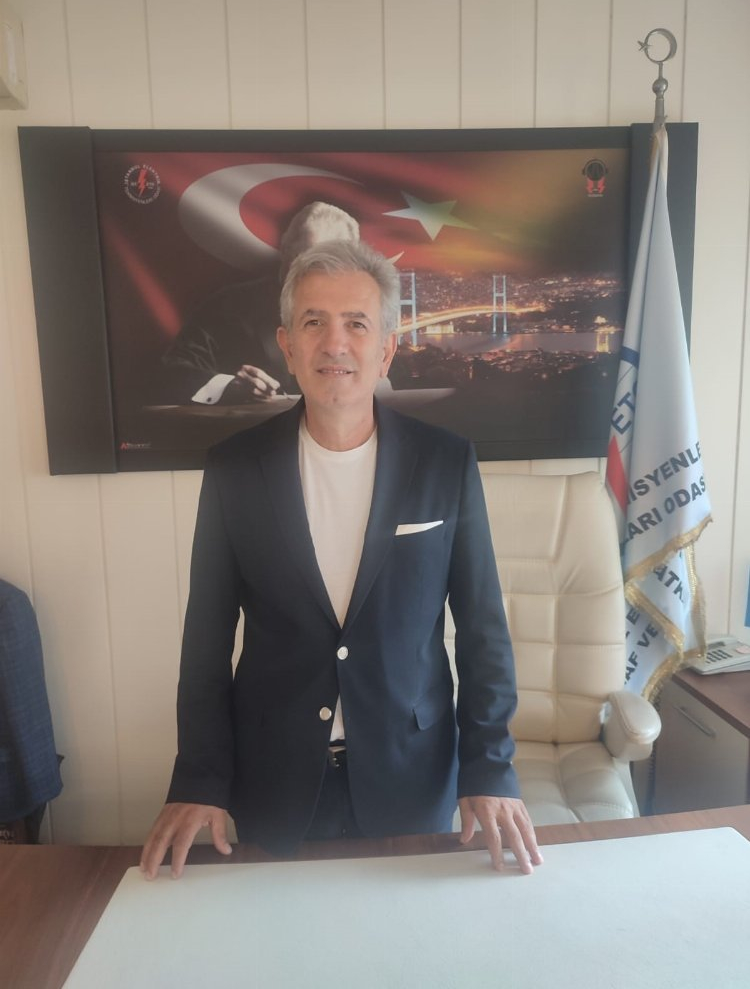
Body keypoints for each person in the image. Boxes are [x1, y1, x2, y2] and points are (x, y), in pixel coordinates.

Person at [141, 240, 542, 879]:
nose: (335, 343)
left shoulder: (445, 462)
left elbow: (483, 629)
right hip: (274, 777)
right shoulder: (234, 468)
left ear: (385, 349)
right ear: (287, 345)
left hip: (412, 772)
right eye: (313, 322)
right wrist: (199, 777)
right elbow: (206, 639)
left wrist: (489, 768)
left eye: (356, 323)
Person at [160, 201, 360, 404]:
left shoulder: (360, 316)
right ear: (284, 249)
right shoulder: (228, 306)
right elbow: (171, 374)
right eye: (304, 257)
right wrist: (229, 386)